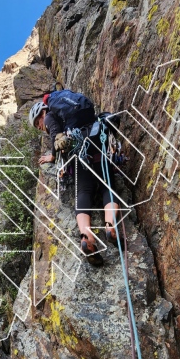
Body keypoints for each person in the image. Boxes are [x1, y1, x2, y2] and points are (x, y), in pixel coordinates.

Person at [29, 100, 124, 267]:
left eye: (38, 123)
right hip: (97, 150)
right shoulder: (72, 116)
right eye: (38, 127)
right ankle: (110, 227)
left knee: (83, 193)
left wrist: (52, 156)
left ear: (42, 113)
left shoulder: (50, 116)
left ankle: (87, 237)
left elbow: (54, 134)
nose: (40, 127)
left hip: (81, 157)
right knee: (106, 188)